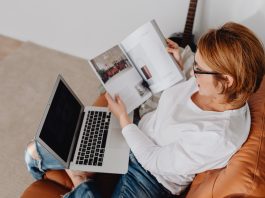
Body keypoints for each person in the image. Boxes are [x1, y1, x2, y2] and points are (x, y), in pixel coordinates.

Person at [25, 22, 265, 197]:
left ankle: (81, 186)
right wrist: (179, 63)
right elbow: (183, 102)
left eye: (199, 69)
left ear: (227, 80)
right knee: (38, 151)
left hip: (152, 177)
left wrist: (123, 119)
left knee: (65, 159)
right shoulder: (216, 88)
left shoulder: (218, 137)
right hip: (139, 132)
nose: (194, 73)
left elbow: (154, 161)